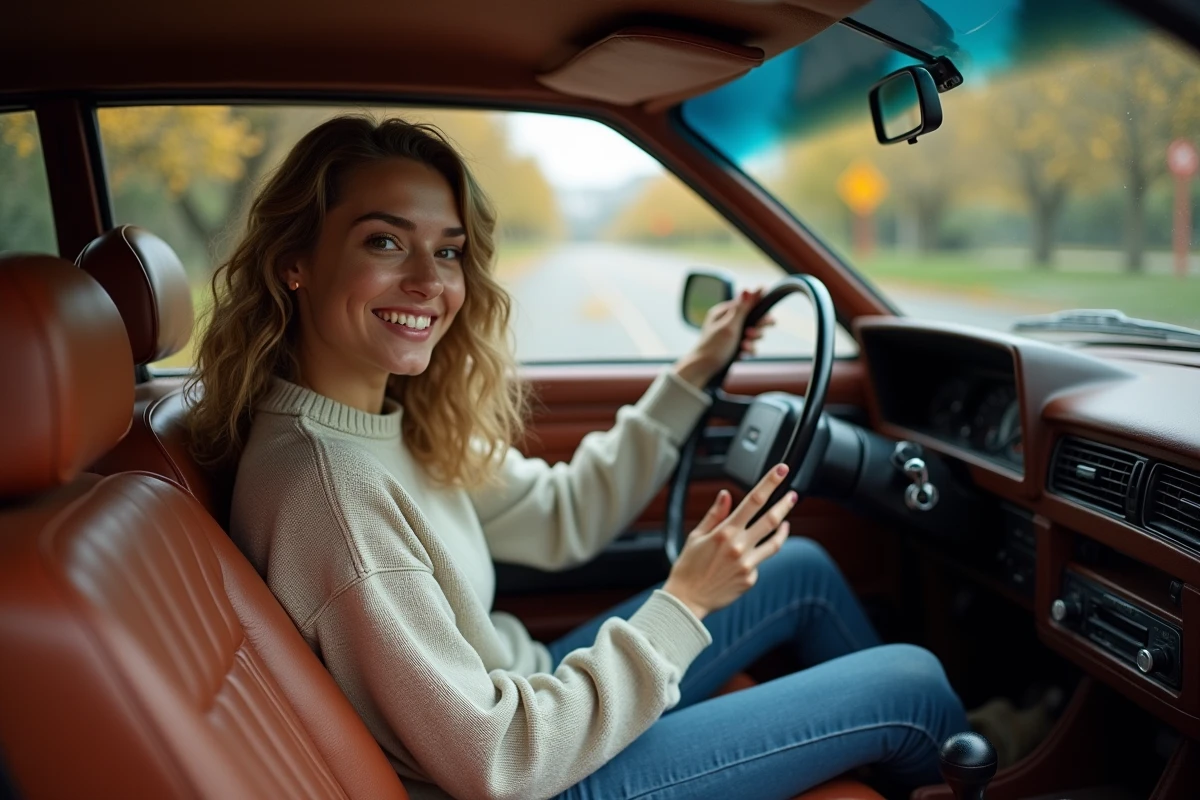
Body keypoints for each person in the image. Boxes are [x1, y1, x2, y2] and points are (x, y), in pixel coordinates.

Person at [188, 115, 970, 800]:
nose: (429, 281)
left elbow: (565, 516)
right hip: (534, 774)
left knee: (795, 572)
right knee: (910, 683)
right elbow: (497, 762)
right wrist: (684, 603)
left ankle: (958, 742)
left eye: (450, 251)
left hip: (533, 701)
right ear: (295, 263)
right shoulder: (330, 490)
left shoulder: (383, 420)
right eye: (385, 241)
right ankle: (979, 759)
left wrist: (692, 374)